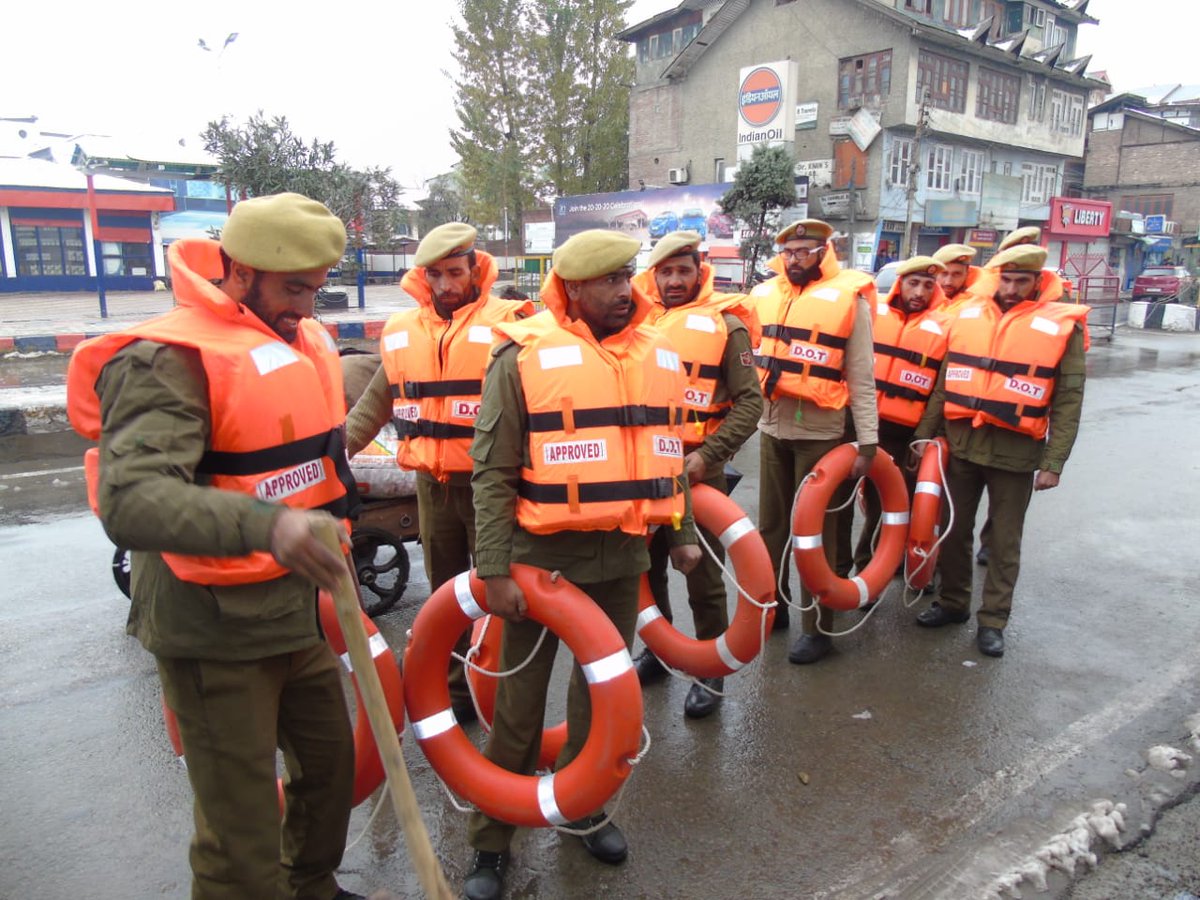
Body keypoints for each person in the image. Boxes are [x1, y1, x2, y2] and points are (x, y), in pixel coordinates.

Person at [66, 193, 365, 899]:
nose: (307, 308)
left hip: (297, 614)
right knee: (241, 833)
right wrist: (271, 527)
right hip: (213, 630)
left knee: (329, 771)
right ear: (236, 271)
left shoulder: (298, 339)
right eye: (294, 289)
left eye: (316, 290)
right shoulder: (165, 360)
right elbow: (132, 500)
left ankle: (313, 886)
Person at [462, 230, 701, 900]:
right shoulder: (520, 356)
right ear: (572, 288)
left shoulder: (659, 354)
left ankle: (585, 807)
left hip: (622, 556)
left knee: (601, 697)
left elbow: (667, 449)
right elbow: (492, 473)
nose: (625, 292)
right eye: (608, 282)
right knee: (518, 707)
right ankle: (491, 839)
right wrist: (495, 570)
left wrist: (678, 529)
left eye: (628, 278)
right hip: (543, 561)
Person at [345, 223, 531, 722]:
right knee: (445, 591)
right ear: (423, 277)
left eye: (455, 272)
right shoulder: (404, 333)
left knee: (498, 589)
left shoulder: (513, 324)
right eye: (436, 275)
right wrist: (327, 458)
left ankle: (501, 688)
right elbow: (371, 408)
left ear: (476, 269)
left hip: (492, 486)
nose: (447, 285)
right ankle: (456, 688)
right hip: (433, 485)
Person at [912, 244, 1088, 658]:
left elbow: (1069, 398)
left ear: (1037, 282)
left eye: (1020, 281)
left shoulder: (1063, 326)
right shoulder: (969, 315)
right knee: (952, 532)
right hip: (961, 446)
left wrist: (1054, 462)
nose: (1010, 288)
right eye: (1005, 279)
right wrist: (925, 435)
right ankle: (953, 604)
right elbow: (944, 383)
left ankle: (992, 621)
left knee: (1005, 542)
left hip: (1016, 453)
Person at [630, 230, 763, 718]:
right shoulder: (636, 323)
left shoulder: (728, 326)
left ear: (699, 271)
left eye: (683, 270)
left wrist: (709, 454)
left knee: (701, 571)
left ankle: (711, 667)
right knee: (646, 567)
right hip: (644, 467)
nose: (673, 280)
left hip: (696, 467)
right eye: (664, 271)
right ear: (654, 275)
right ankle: (659, 650)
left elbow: (751, 404)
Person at [752, 219, 879, 665]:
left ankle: (819, 627)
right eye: (789, 252)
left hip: (823, 435)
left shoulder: (850, 300)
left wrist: (867, 443)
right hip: (773, 430)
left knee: (819, 533)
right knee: (772, 528)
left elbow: (862, 377)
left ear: (825, 251)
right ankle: (776, 606)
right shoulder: (764, 295)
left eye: (806, 251)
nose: (796, 259)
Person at [852, 256, 952, 576]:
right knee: (846, 499)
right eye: (913, 283)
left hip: (903, 433)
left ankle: (868, 567)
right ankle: (852, 567)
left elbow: (939, 391)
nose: (919, 291)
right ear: (900, 283)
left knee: (886, 505)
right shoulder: (873, 314)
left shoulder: (946, 327)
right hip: (862, 423)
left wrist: (921, 436)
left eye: (927, 285)